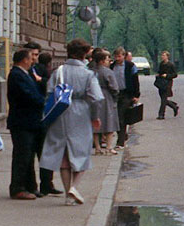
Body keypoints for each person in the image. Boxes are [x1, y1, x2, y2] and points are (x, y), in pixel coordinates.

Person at [41, 38, 103, 205]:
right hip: (80, 112)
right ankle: (74, 187)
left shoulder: (58, 71)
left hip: (60, 112)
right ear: (84, 54)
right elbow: (96, 98)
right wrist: (95, 117)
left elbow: (48, 92)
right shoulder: (88, 74)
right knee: (82, 151)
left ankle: (68, 195)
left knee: (63, 154)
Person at [6, 49, 45, 199]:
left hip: (29, 121)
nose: (32, 61)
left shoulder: (25, 74)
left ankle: (30, 186)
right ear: (24, 60)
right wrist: (43, 102)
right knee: (22, 156)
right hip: (22, 121)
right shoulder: (16, 75)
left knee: (29, 155)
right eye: (30, 59)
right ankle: (18, 188)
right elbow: (28, 95)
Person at [29, 47, 61, 195]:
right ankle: (45, 184)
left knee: (43, 152)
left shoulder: (36, 71)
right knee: (44, 152)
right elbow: (47, 88)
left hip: (41, 115)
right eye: (33, 55)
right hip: (40, 115)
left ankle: (44, 184)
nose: (34, 58)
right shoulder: (40, 72)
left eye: (36, 55)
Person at [91, 49, 120, 155]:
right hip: (106, 97)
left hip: (94, 97)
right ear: (102, 61)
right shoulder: (108, 72)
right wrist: (115, 96)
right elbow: (114, 88)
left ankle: (97, 148)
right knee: (109, 122)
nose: (109, 61)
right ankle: (108, 147)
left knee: (95, 123)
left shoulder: (92, 71)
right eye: (108, 59)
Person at [113, 49, 140, 150]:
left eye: (119, 56)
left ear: (124, 56)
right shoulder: (112, 66)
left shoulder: (130, 66)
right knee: (116, 117)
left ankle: (120, 142)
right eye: (116, 56)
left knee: (121, 116)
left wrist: (136, 95)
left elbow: (135, 80)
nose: (117, 58)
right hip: (115, 94)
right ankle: (122, 136)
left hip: (126, 94)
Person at [154, 51, 179, 119]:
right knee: (163, 99)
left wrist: (167, 75)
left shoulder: (171, 65)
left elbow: (175, 74)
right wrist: (158, 75)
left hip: (168, 83)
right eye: (162, 55)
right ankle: (174, 106)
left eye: (164, 55)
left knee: (163, 99)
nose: (162, 57)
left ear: (167, 56)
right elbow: (160, 72)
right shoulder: (161, 64)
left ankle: (161, 114)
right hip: (161, 83)